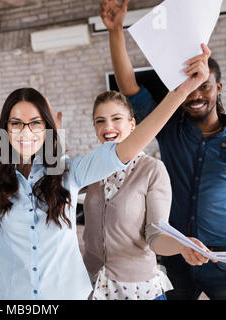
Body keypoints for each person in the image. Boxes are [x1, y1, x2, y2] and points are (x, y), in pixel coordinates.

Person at [0, 35, 211, 298]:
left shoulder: (69, 174)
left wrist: (182, 91)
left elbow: (128, 147)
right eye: (16, 123)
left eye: (35, 123)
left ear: (47, 130)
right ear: (6, 131)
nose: (25, 132)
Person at [101, 0, 226, 300]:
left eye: (204, 86)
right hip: (175, 257)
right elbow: (129, 86)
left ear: (219, 88)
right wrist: (115, 32)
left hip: (225, 262)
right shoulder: (169, 128)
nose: (196, 94)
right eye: (189, 86)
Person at [82, 90, 213, 300]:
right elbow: (53, 175)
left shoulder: (152, 170)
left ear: (132, 124)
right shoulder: (91, 169)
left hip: (136, 291)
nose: (108, 127)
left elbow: (155, 234)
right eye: (100, 121)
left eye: (116, 118)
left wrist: (181, 245)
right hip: (93, 286)